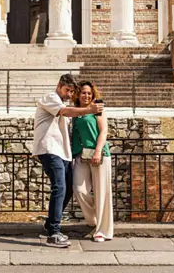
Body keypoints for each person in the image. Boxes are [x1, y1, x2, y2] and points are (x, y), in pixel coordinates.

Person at [32, 74, 104, 248]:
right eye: (67, 90)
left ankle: (50, 224)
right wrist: (89, 110)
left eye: (72, 92)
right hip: (50, 149)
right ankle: (54, 233)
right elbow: (64, 112)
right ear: (59, 86)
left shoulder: (63, 103)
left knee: (69, 188)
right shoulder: (50, 98)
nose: (70, 94)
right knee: (60, 187)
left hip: (63, 153)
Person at [72, 81, 113, 242]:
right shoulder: (76, 111)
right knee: (79, 189)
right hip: (81, 155)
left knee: (102, 192)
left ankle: (103, 231)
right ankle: (93, 221)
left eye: (89, 93)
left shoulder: (98, 108)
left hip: (99, 155)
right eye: (83, 92)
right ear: (78, 94)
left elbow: (104, 131)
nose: (86, 95)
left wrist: (97, 151)